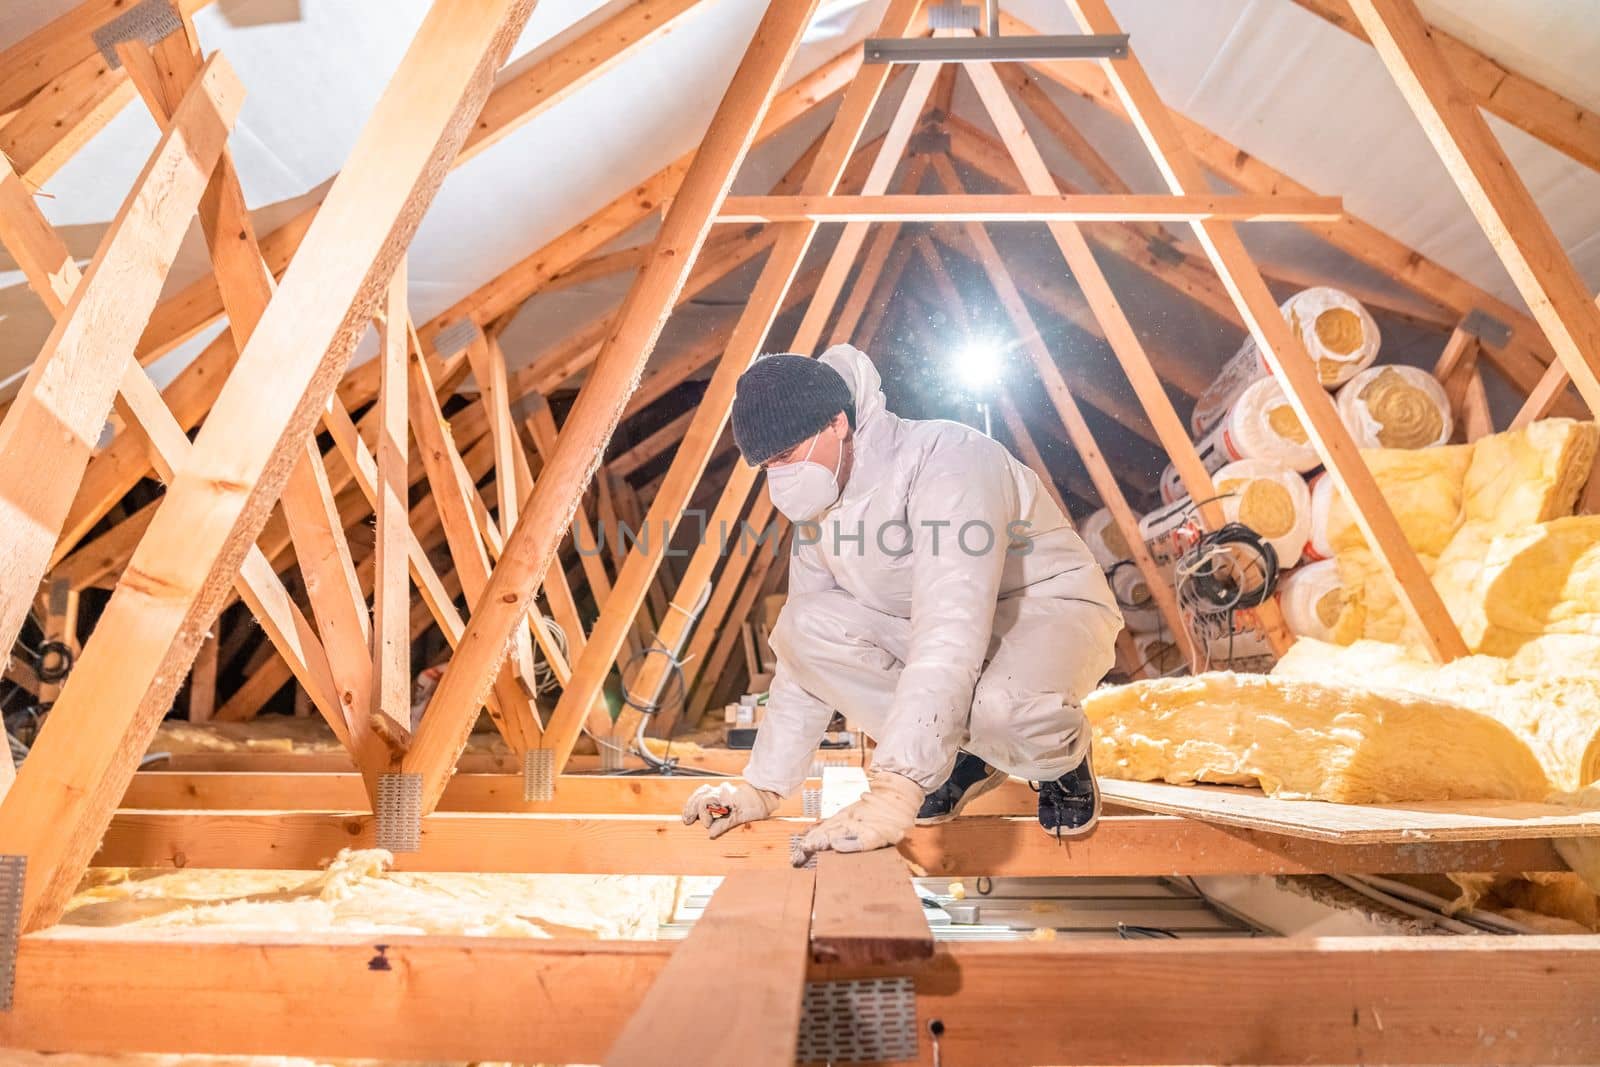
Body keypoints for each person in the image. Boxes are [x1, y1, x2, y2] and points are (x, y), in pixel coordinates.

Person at [681, 345, 1122, 863]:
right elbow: (805, 661)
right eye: (767, 466)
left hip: (1044, 609)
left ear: (837, 423)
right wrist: (762, 788)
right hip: (933, 628)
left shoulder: (947, 459)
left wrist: (896, 787)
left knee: (1002, 711)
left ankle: (1059, 760)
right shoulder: (820, 515)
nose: (779, 477)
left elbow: (951, 625)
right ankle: (962, 755)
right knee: (804, 626)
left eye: (786, 455)